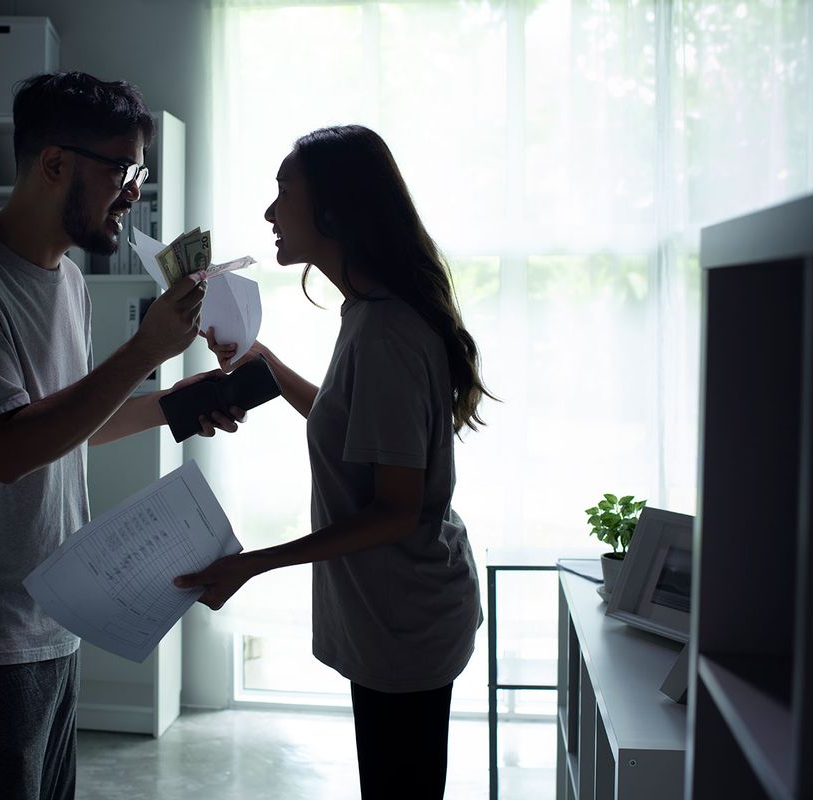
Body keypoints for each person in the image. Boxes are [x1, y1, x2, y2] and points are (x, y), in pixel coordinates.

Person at [0, 71, 242, 800]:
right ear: (55, 164)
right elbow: (8, 451)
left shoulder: (68, 280)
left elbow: (63, 427)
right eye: (120, 169)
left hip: (49, 614)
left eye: (136, 170)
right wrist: (144, 350)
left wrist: (172, 402)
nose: (133, 191)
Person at [175, 124, 494, 799]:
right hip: (395, 611)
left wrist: (250, 564)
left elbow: (395, 511)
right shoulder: (367, 313)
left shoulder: (385, 331)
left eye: (283, 192)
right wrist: (264, 365)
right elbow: (355, 425)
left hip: (405, 620)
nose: (269, 213)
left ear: (334, 210)